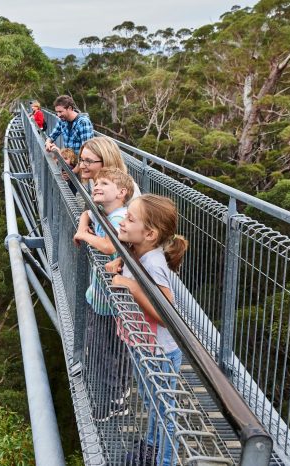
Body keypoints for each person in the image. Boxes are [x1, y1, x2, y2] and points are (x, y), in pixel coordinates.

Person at [106, 194, 189, 466]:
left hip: (160, 354)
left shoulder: (153, 263)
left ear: (150, 234)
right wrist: (121, 260)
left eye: (130, 218)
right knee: (153, 405)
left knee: (164, 413)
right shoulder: (137, 251)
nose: (123, 221)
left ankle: (164, 461)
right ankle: (152, 448)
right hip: (143, 346)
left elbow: (167, 315)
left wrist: (132, 287)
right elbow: (131, 260)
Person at [73, 168, 135, 420]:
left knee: (103, 351)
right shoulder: (104, 211)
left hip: (109, 303)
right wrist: (83, 224)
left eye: (104, 183)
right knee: (107, 349)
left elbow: (110, 245)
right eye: (96, 183)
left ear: (121, 193)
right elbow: (87, 212)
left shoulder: (120, 216)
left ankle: (113, 400)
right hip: (101, 298)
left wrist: (83, 236)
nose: (96, 186)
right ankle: (118, 391)